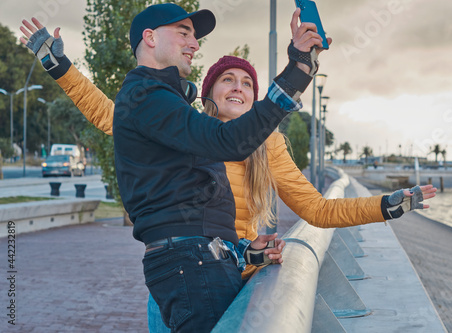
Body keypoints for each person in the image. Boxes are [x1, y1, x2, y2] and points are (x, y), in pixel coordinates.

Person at [20, 4, 331, 332]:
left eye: (194, 37)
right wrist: (298, 69)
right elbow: (107, 112)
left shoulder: (178, 117)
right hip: (191, 267)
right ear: (150, 38)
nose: (194, 44)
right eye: (184, 33)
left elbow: (201, 212)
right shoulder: (154, 102)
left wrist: (245, 252)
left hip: (201, 263)